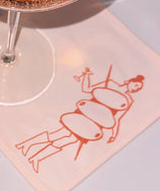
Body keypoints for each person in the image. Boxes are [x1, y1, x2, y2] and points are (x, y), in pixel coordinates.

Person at [16, 67, 145, 173]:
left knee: (70, 139)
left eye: (138, 88)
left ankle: (37, 156)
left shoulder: (128, 101)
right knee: (61, 133)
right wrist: (86, 76)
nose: (135, 88)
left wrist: (113, 134)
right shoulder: (110, 83)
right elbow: (87, 89)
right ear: (131, 81)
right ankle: (28, 145)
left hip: (95, 124)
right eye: (136, 85)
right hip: (85, 111)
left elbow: (116, 118)